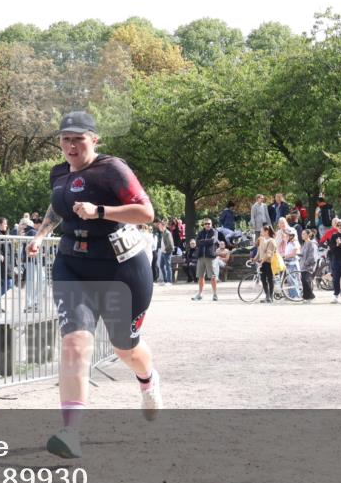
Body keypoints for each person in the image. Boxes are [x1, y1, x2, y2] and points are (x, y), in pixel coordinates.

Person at [26, 110, 160, 459]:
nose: (71, 145)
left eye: (78, 138)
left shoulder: (112, 169)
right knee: (74, 343)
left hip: (120, 268)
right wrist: (41, 235)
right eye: (65, 139)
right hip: (72, 265)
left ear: (94, 139)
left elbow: (147, 213)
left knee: (124, 348)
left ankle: (147, 380)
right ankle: (70, 432)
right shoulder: (58, 173)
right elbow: (57, 208)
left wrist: (101, 211)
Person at [192, 218, 220, 301]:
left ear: (211, 224)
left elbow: (212, 241)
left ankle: (215, 294)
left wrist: (202, 241)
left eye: (209, 223)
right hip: (201, 257)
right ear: (203, 225)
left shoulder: (214, 232)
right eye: (206, 224)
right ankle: (200, 294)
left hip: (210, 257)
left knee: (213, 276)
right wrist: (205, 241)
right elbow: (197, 242)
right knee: (200, 276)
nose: (207, 225)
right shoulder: (200, 232)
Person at [256, 226, 278, 303]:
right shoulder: (262, 240)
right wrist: (255, 259)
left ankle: (270, 297)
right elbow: (259, 251)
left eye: (262, 230)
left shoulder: (271, 241)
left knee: (270, 279)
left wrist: (261, 262)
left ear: (267, 231)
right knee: (263, 279)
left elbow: (268, 254)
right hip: (263, 262)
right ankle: (267, 296)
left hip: (269, 263)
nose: (261, 232)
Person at [298, 229, 318, 302]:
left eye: (304, 234)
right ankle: (306, 297)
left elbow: (313, 256)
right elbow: (303, 254)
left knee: (306, 280)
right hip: (303, 265)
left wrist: (306, 263)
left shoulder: (312, 243)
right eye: (302, 234)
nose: (302, 235)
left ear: (308, 235)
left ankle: (311, 296)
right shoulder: (304, 244)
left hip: (309, 266)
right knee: (304, 281)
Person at [157, 219, 174, 286]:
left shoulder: (167, 233)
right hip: (163, 252)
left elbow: (170, 244)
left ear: (163, 226)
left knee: (168, 267)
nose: (159, 228)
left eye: (160, 226)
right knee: (161, 266)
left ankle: (169, 281)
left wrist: (165, 250)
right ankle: (165, 280)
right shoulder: (163, 233)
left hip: (167, 252)